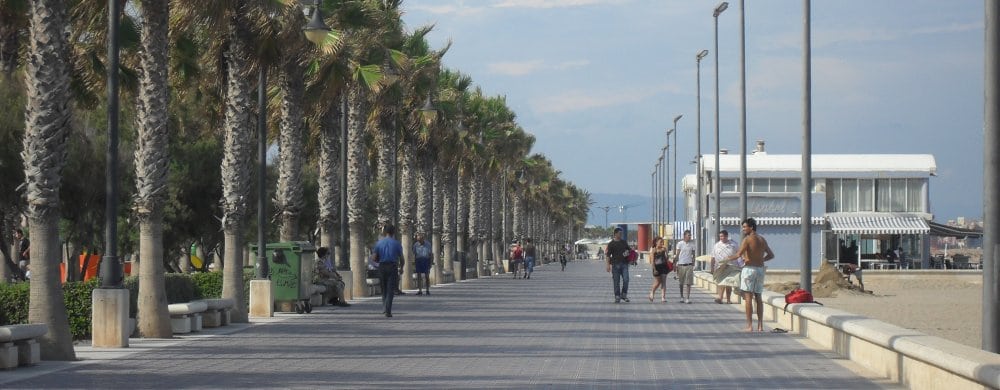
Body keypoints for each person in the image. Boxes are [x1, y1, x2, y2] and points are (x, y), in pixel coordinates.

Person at [726, 218, 775, 332]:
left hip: (749, 269)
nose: (743, 229)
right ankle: (760, 325)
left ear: (751, 227)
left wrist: (726, 259)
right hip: (760, 269)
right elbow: (771, 255)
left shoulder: (747, 239)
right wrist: (761, 259)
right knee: (758, 297)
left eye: (744, 227)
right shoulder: (762, 239)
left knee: (748, 297)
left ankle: (749, 325)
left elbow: (738, 254)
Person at [372, 224, 403, 318]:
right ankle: (388, 310)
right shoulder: (397, 243)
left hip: (382, 266)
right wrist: (402, 268)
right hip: (392, 266)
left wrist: (379, 261)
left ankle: (384, 308)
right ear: (393, 232)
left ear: (385, 232)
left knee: (383, 288)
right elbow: (402, 258)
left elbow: (373, 258)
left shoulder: (379, 243)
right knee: (390, 289)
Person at [710, 230, 740, 304]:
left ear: (727, 236)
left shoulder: (733, 244)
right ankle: (720, 298)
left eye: (723, 236)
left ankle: (728, 299)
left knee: (728, 283)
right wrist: (712, 267)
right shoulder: (716, 245)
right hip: (720, 266)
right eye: (720, 236)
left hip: (731, 266)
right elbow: (713, 257)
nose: (722, 238)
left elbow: (739, 254)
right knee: (721, 282)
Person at [605, 227, 631, 303]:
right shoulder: (611, 244)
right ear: (615, 234)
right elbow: (608, 255)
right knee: (616, 281)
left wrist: (627, 253)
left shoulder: (624, 242)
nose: (621, 234)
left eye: (621, 233)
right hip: (615, 265)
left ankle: (623, 294)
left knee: (626, 280)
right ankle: (617, 296)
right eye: (620, 233)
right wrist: (608, 265)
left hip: (624, 264)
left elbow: (629, 251)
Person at [673, 230, 696, 304]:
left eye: (690, 235)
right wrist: (675, 263)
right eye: (688, 235)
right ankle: (681, 296)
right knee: (681, 282)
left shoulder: (692, 244)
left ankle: (688, 298)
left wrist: (693, 263)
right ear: (684, 236)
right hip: (681, 265)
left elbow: (693, 255)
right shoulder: (680, 244)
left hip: (689, 265)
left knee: (688, 282)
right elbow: (677, 254)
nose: (690, 236)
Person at [647, 236, 670, 303]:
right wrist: (654, 269)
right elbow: (652, 261)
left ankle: (663, 297)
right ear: (656, 242)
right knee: (658, 282)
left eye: (662, 242)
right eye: (660, 242)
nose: (662, 243)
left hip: (664, 266)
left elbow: (667, 258)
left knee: (663, 281)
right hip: (656, 267)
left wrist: (666, 251)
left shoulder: (663, 249)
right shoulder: (653, 250)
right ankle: (652, 292)